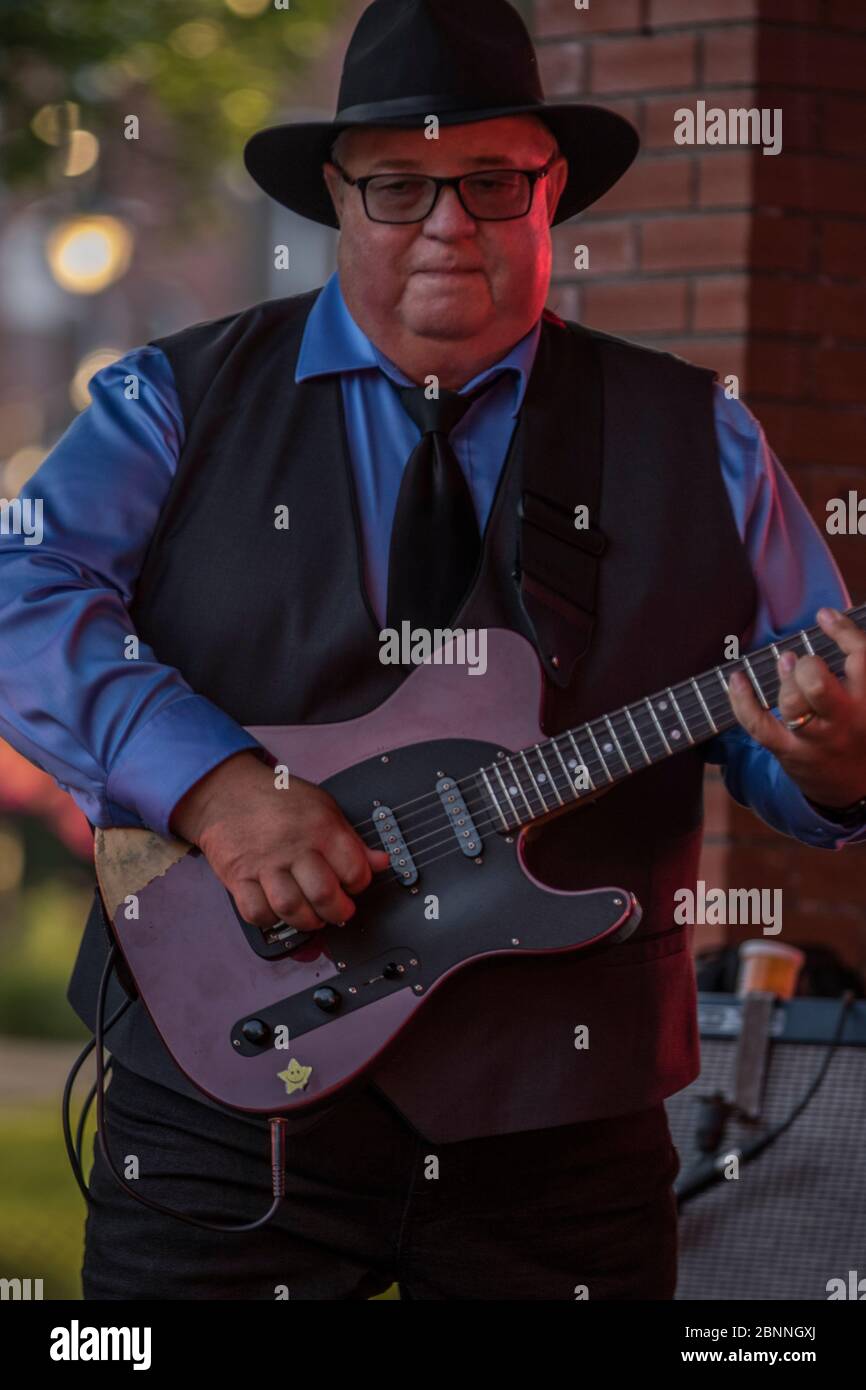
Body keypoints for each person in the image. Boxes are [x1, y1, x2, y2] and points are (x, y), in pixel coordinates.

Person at [1, 0, 865, 1301]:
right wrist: (213, 784)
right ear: (337, 197)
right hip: (229, 1114)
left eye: (488, 181)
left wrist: (838, 759)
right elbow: (20, 591)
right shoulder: (170, 399)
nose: (446, 223)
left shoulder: (704, 437)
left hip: (565, 1132)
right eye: (399, 186)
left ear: (549, 188)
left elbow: (796, 739)